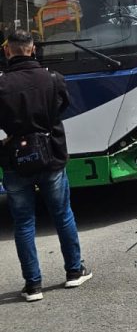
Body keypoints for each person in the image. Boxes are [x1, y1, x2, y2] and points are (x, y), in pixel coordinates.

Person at [0, 29, 91, 301]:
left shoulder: (2, 85)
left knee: (24, 222)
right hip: (51, 155)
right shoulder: (53, 78)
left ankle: (33, 285)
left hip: (16, 160)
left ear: (7, 51)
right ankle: (74, 272)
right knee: (62, 214)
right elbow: (63, 106)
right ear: (33, 49)